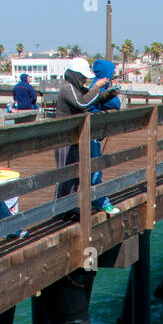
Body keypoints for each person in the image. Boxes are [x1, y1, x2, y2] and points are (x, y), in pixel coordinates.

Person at [53, 57, 112, 209]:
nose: (85, 78)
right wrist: (97, 86)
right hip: (64, 139)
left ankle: (69, 207)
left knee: (74, 175)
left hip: (74, 137)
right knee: (64, 175)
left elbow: (93, 99)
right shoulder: (68, 89)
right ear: (76, 75)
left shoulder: (76, 88)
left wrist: (109, 93)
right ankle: (61, 209)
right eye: (83, 76)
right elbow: (83, 103)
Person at [87, 59, 122, 214]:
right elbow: (114, 104)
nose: (114, 74)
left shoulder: (99, 86)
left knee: (94, 168)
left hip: (95, 133)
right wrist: (110, 93)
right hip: (90, 133)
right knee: (95, 169)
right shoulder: (95, 87)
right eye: (112, 71)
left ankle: (96, 199)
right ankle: (102, 202)